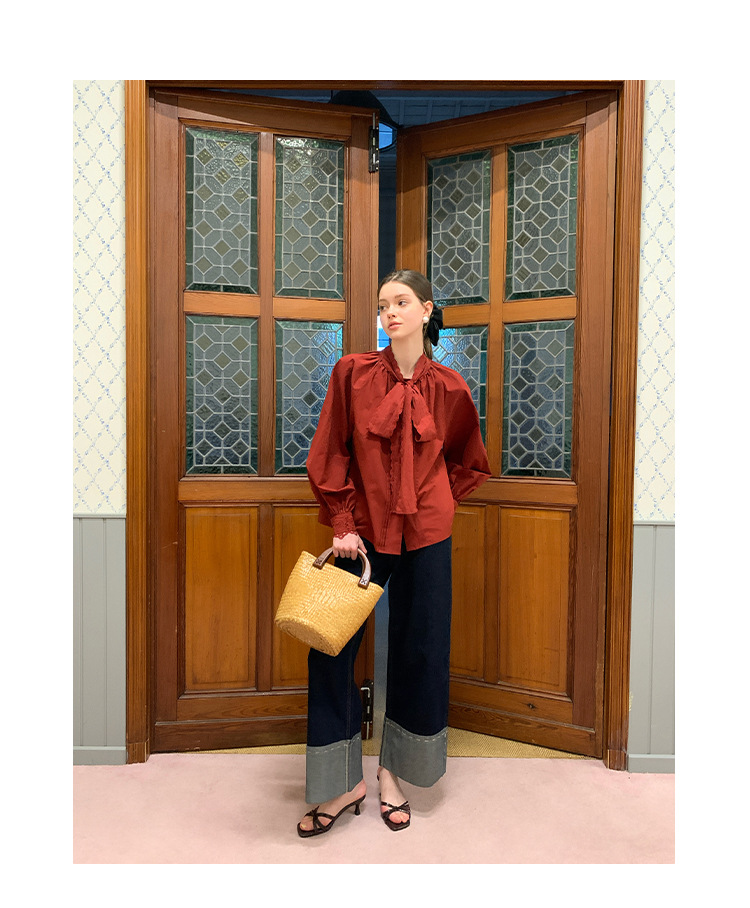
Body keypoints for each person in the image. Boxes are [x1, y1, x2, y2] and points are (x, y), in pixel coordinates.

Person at [297, 269, 490, 837]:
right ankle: (342, 782)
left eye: (402, 302)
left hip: (427, 536)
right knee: (329, 647)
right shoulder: (352, 373)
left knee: (420, 651)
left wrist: (436, 500)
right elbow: (330, 448)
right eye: (384, 305)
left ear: (427, 310)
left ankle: (393, 774)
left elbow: (470, 462)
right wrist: (342, 519)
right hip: (360, 535)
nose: (390, 313)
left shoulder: (450, 387)